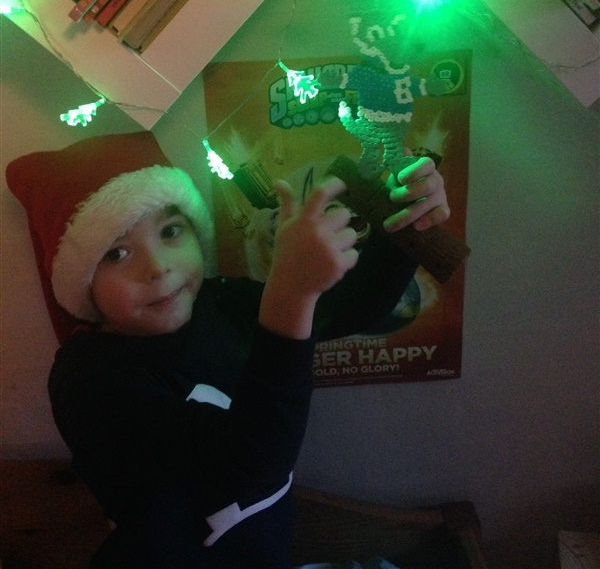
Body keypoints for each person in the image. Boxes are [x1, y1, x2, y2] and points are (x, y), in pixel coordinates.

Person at [6, 131, 450, 569]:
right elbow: (251, 462)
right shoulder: (89, 382)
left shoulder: (219, 303)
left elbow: (349, 308)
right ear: (82, 281)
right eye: (117, 254)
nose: (157, 267)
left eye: (170, 231)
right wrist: (290, 297)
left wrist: (406, 224)